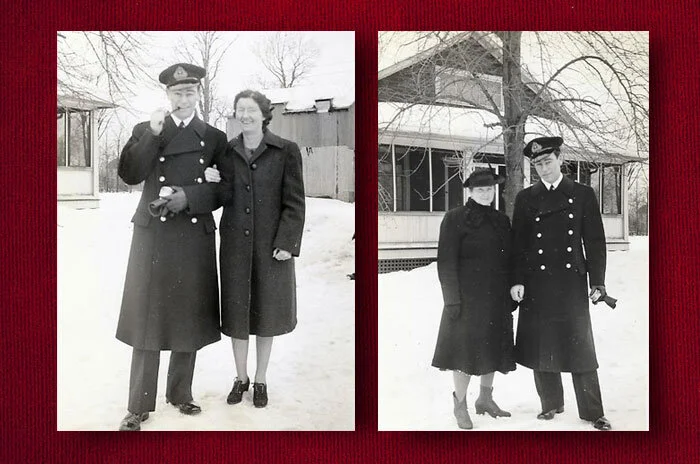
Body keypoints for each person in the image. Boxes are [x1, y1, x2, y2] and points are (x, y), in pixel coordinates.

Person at [115, 63, 228, 431]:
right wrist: (152, 133)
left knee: (187, 311)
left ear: (198, 95)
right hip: (153, 234)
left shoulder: (213, 137)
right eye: (177, 93)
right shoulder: (146, 130)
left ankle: (181, 393)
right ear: (167, 96)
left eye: (189, 92)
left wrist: (190, 197)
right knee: (147, 314)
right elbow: (130, 174)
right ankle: (138, 404)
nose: (183, 98)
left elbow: (225, 188)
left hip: (192, 233)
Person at [204, 89, 305, 408]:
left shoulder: (286, 150)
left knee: (266, 316)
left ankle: (260, 379)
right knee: (237, 317)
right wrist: (212, 182)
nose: (244, 115)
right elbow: (223, 198)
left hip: (271, 250)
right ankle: (240, 377)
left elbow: (295, 202)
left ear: (264, 114)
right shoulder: (227, 151)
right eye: (239, 109)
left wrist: (287, 243)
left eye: (250, 109)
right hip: (235, 248)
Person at [510, 136, 612, 431]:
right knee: (543, 343)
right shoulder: (526, 198)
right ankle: (550, 403)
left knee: (580, 346)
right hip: (537, 281)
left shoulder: (582, 194)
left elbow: (594, 242)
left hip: (570, 282)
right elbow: (519, 244)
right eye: (537, 163)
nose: (542, 168)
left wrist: (599, 282)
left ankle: (593, 412)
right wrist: (516, 280)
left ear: (560, 158)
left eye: (547, 161)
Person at [432, 168, 516, 430]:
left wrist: (512, 287)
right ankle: (460, 406)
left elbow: (511, 258)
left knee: (491, 348)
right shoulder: (454, 219)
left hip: (496, 297)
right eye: (480, 189)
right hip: (466, 300)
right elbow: (445, 263)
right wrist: (452, 300)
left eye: (490, 189)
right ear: (469, 191)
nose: (486, 194)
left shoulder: (501, 220)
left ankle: (485, 399)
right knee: (464, 354)